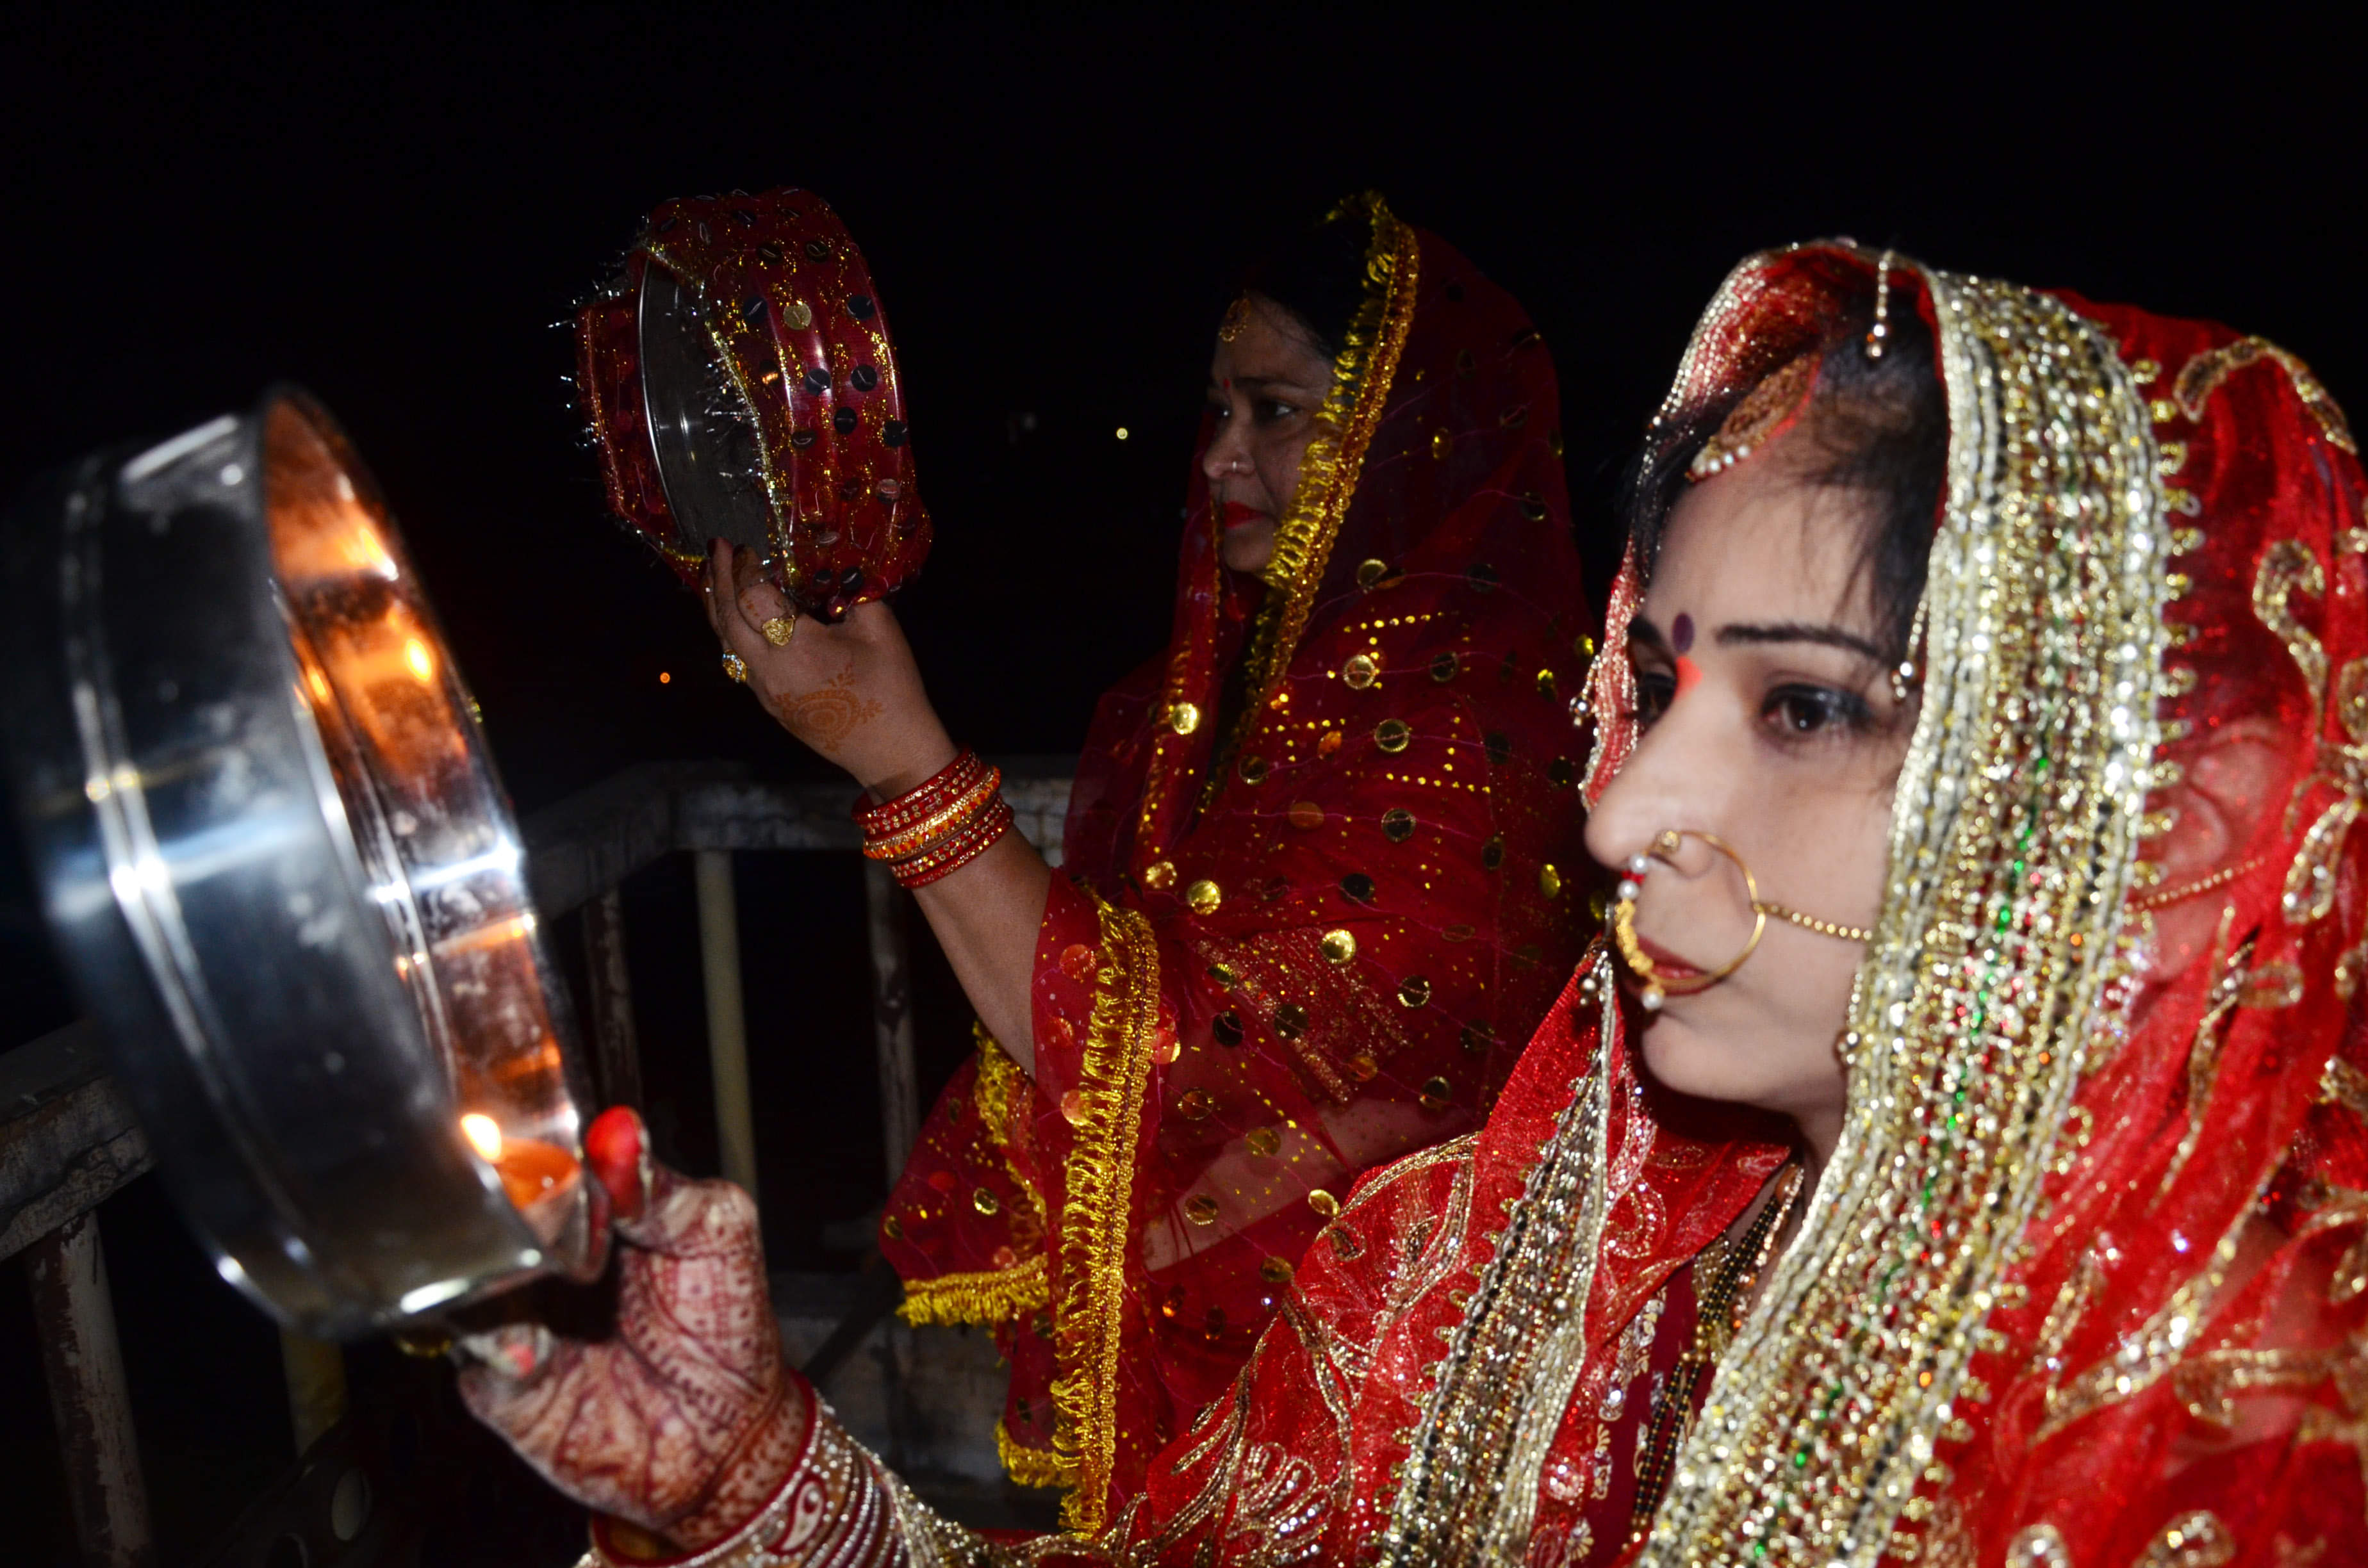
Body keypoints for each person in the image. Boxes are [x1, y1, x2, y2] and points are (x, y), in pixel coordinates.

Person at [466, 241, 2368, 1565]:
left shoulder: (2252, 1444)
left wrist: (912, 768)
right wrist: (750, 1483)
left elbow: (1186, 1056)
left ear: (2168, 817)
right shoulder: (1495, 1283)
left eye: (1805, 707)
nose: (1622, 807)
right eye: (1649, 685)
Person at [698, 192, 1595, 1524]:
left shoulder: (1473, 730)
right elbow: (1102, 1030)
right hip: (1211, 1392)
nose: (1222, 458)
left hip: (1386, 1424)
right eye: (1219, 412)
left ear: (1409, 433)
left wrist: (905, 764)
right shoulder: (1200, 701)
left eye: (1276, 412)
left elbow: (1170, 1061)